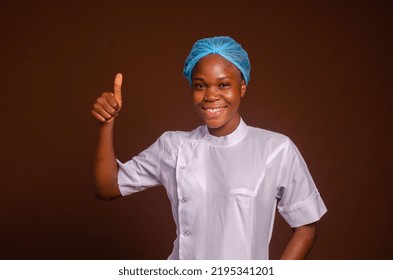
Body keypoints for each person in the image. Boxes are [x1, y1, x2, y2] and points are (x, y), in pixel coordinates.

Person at [91, 36, 327, 260]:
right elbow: (107, 187)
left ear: (242, 87)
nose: (211, 95)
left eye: (224, 84)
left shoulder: (275, 149)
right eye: (200, 85)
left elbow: (305, 224)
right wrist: (107, 125)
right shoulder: (174, 146)